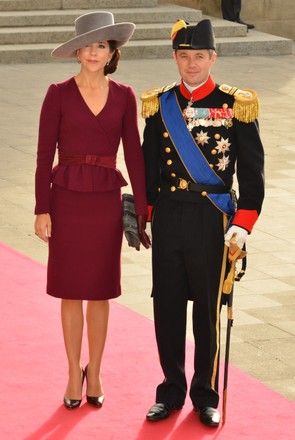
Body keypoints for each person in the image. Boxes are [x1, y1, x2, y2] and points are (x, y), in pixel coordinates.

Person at [141, 18, 264, 427]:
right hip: (171, 216)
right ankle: (171, 390)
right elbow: (148, 167)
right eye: (183, 56)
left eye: (199, 56)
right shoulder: (160, 105)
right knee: (169, 307)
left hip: (213, 220)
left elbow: (252, 174)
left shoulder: (236, 103)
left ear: (213, 57)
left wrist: (242, 224)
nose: (191, 64)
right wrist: (143, 213)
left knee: (209, 310)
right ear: (174, 57)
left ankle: (205, 394)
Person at [34, 11, 150, 410]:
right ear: (77, 51)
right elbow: (42, 154)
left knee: (100, 291)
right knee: (70, 290)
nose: (93, 51)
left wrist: (145, 207)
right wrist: (41, 208)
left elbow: (134, 155)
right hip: (65, 199)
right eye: (87, 45)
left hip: (105, 201)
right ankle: (71, 372)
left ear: (111, 51)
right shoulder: (57, 93)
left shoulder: (124, 95)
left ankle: (95, 371)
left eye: (101, 44)